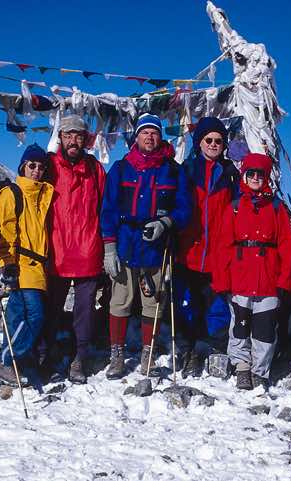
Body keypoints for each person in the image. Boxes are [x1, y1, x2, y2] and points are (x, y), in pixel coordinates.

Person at [101, 113, 192, 379]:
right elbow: (107, 209)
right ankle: (116, 354)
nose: (149, 137)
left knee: (153, 303)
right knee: (120, 301)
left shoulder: (173, 170)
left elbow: (186, 209)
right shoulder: (121, 168)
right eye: (145, 132)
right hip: (126, 245)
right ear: (136, 137)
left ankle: (147, 353)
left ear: (160, 137)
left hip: (157, 248)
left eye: (154, 133)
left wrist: (166, 222)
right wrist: (109, 247)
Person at [213, 153, 291, 390]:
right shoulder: (235, 208)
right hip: (240, 278)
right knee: (239, 325)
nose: (256, 178)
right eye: (252, 174)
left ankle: (260, 371)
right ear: (244, 176)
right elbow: (223, 246)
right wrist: (222, 278)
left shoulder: (277, 208)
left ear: (266, 177)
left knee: (265, 329)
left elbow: (286, 246)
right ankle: (242, 368)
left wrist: (285, 278)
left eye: (261, 174)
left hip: (268, 278)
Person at [175, 117, 240, 378]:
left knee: (216, 307)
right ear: (199, 142)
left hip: (218, 253)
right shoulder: (187, 170)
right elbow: (178, 204)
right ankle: (186, 349)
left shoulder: (230, 173)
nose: (214, 144)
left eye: (218, 141)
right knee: (187, 305)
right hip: (188, 250)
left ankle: (212, 350)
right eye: (208, 140)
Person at [44, 115, 106, 384]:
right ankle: (45, 355)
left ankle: (80, 357)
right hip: (56, 252)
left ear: (85, 139)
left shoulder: (95, 169)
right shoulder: (48, 167)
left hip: (88, 251)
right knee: (50, 307)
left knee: (85, 310)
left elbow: (105, 208)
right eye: (68, 135)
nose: (73, 140)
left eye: (78, 136)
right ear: (60, 137)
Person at [0, 144, 53, 385]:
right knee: (36, 316)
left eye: (41, 167)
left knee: (18, 317)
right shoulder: (12, 193)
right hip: (21, 264)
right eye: (32, 165)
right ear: (23, 167)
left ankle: (13, 364)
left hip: (39, 266)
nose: (36, 170)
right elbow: (5, 231)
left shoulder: (44, 194)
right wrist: (7, 263)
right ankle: (7, 361)